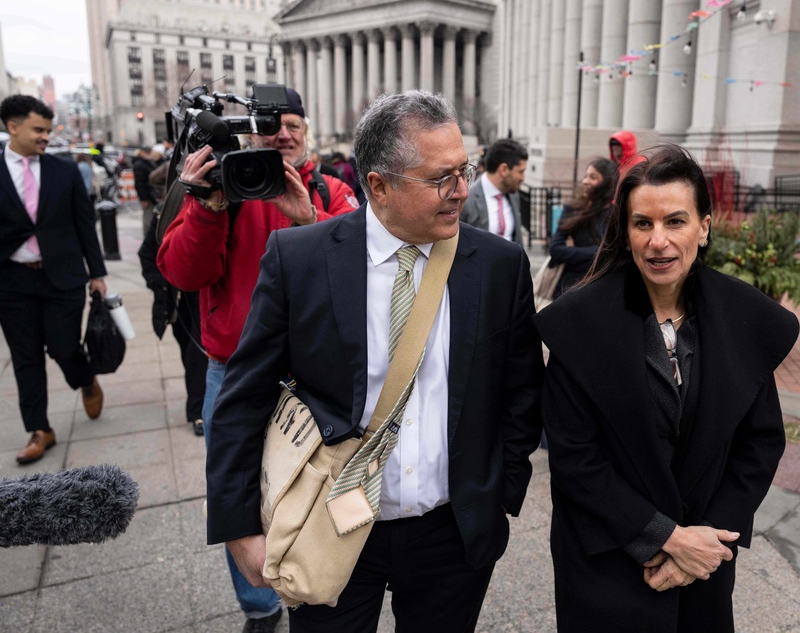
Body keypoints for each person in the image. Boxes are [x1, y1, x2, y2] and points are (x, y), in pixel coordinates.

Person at [205, 90, 544, 632]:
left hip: (452, 533)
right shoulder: (301, 259)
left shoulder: (498, 264)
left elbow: (521, 388)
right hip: (327, 523)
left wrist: (501, 490)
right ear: (379, 185)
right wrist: (239, 526)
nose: (462, 191)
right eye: (441, 178)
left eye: (465, 170)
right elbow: (243, 398)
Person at [534, 144, 799, 632]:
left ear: (704, 226)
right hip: (608, 558)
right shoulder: (579, 325)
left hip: (704, 561)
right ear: (626, 232)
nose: (659, 241)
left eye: (675, 221)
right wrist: (664, 538)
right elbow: (576, 458)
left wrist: (704, 544)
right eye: (643, 224)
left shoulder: (744, 320)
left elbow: (758, 444)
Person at [158, 87, 357, 633]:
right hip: (235, 371)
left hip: (315, 374)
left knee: (321, 487)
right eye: (271, 125)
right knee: (238, 496)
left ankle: (319, 583)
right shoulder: (220, 189)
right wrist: (208, 204)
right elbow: (181, 273)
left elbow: (364, 273)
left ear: (307, 132)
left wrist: (308, 218)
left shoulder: (332, 190)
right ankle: (260, 607)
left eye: (294, 124)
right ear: (249, 130)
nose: (284, 134)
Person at [0, 95, 107, 464]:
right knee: (25, 357)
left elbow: (84, 224)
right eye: (39, 129)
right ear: (12, 127)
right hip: (11, 281)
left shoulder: (64, 171)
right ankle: (40, 429)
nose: (47, 136)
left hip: (62, 277)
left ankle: (86, 379)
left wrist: (98, 274)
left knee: (63, 347)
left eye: (48, 129)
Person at [138, 160, 206, 437]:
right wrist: (164, 282)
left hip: (205, 297)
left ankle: (198, 411)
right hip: (179, 301)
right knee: (190, 353)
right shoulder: (163, 214)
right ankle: (199, 405)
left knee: (198, 356)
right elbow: (147, 256)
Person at [548, 157, 618, 298]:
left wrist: (572, 251)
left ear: (607, 183)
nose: (585, 181)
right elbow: (556, 250)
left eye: (593, 177)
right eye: (586, 176)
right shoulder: (573, 209)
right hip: (568, 290)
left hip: (600, 290)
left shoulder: (614, 215)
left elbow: (612, 255)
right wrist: (598, 251)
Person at [460, 138, 527, 244]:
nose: (523, 178)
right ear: (504, 169)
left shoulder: (513, 194)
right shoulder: (467, 200)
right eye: (521, 171)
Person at [133, 145, 160, 236]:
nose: (148, 154)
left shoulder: (148, 162)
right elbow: (139, 183)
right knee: (148, 219)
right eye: (146, 152)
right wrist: (143, 199)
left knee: (151, 219)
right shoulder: (140, 164)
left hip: (151, 195)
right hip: (147, 196)